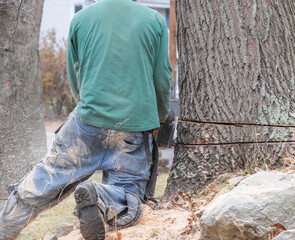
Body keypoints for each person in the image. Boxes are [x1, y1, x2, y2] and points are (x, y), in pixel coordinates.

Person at [0, 0, 172, 239]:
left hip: (85, 123)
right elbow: (162, 77)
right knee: (129, 195)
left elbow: (75, 72)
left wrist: (87, 104)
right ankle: (98, 196)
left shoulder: (81, 18)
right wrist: (162, 115)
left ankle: (4, 225)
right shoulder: (153, 20)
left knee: (45, 178)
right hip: (133, 129)